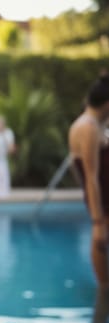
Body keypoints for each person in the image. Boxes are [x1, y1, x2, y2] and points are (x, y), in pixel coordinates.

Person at [69, 73, 109, 286]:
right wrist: (97, 221)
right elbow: (90, 176)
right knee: (105, 285)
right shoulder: (88, 127)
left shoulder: (94, 124)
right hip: (103, 205)